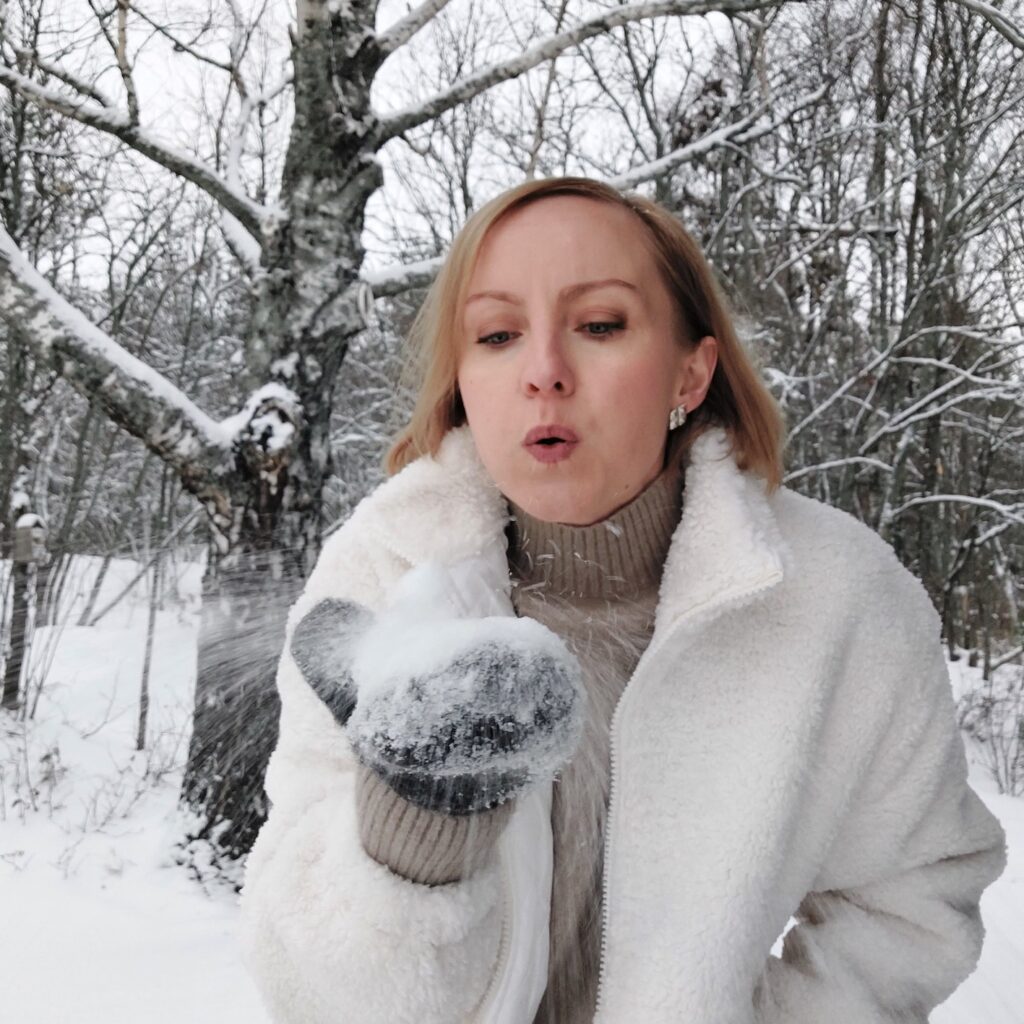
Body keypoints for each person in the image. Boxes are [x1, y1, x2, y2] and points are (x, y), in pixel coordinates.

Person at [238, 176, 1007, 1024]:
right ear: (462, 380)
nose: (544, 373)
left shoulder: (837, 597)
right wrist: (413, 828)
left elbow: (912, 902)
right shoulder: (382, 576)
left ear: (690, 373)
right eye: (497, 335)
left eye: (600, 325)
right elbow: (305, 989)